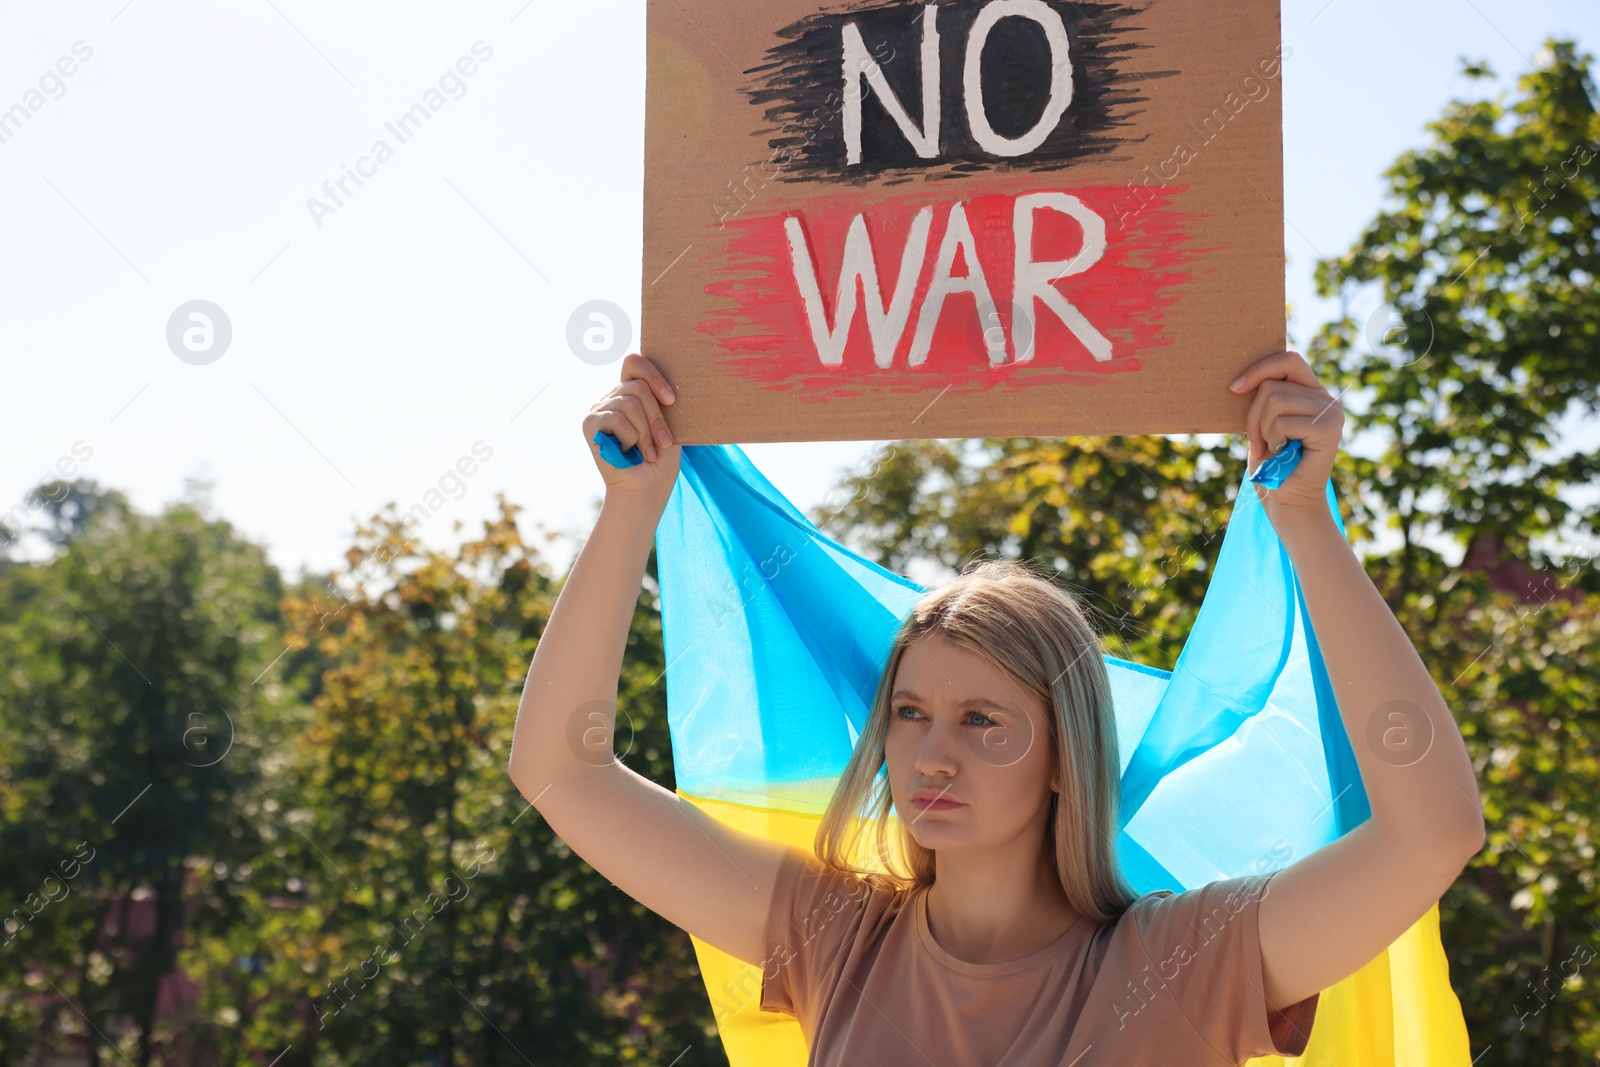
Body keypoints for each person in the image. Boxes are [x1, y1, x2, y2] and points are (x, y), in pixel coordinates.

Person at [507, 350, 1487, 1065]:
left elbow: (1432, 830)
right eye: (908, 712)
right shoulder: (835, 937)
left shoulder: (1183, 959)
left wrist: (1305, 517)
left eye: (983, 720)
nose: (931, 754)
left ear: (1065, 754)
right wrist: (632, 505)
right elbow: (559, 769)